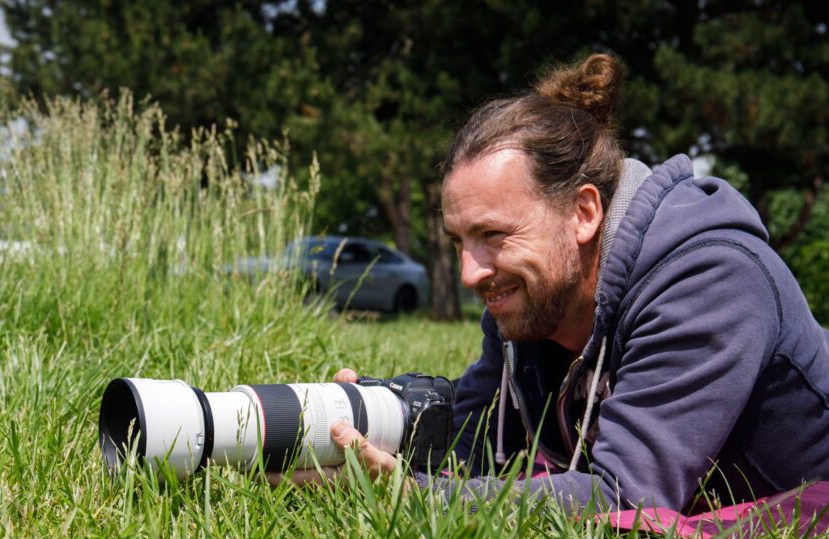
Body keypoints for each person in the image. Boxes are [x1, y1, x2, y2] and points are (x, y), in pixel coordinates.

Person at [278, 52, 829, 514]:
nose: (471, 272)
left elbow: (626, 497)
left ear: (584, 212)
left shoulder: (707, 280)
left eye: (493, 234)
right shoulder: (533, 296)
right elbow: (472, 437)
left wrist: (419, 497)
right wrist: (373, 423)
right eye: (458, 241)